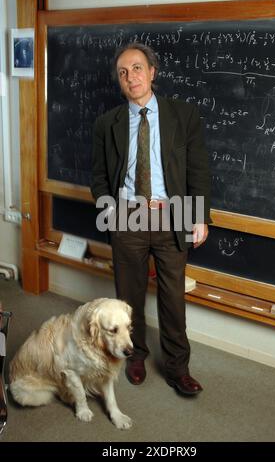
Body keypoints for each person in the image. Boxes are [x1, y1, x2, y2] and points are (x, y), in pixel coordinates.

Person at [91, 43, 211, 396]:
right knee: (128, 298)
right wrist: (110, 212)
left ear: (153, 72)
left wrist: (199, 216)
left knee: (173, 299)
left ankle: (178, 369)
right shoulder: (106, 123)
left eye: (137, 68)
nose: (131, 77)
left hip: (173, 214)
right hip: (127, 216)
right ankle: (136, 355)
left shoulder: (183, 115)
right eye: (123, 72)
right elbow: (99, 177)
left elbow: (198, 170)